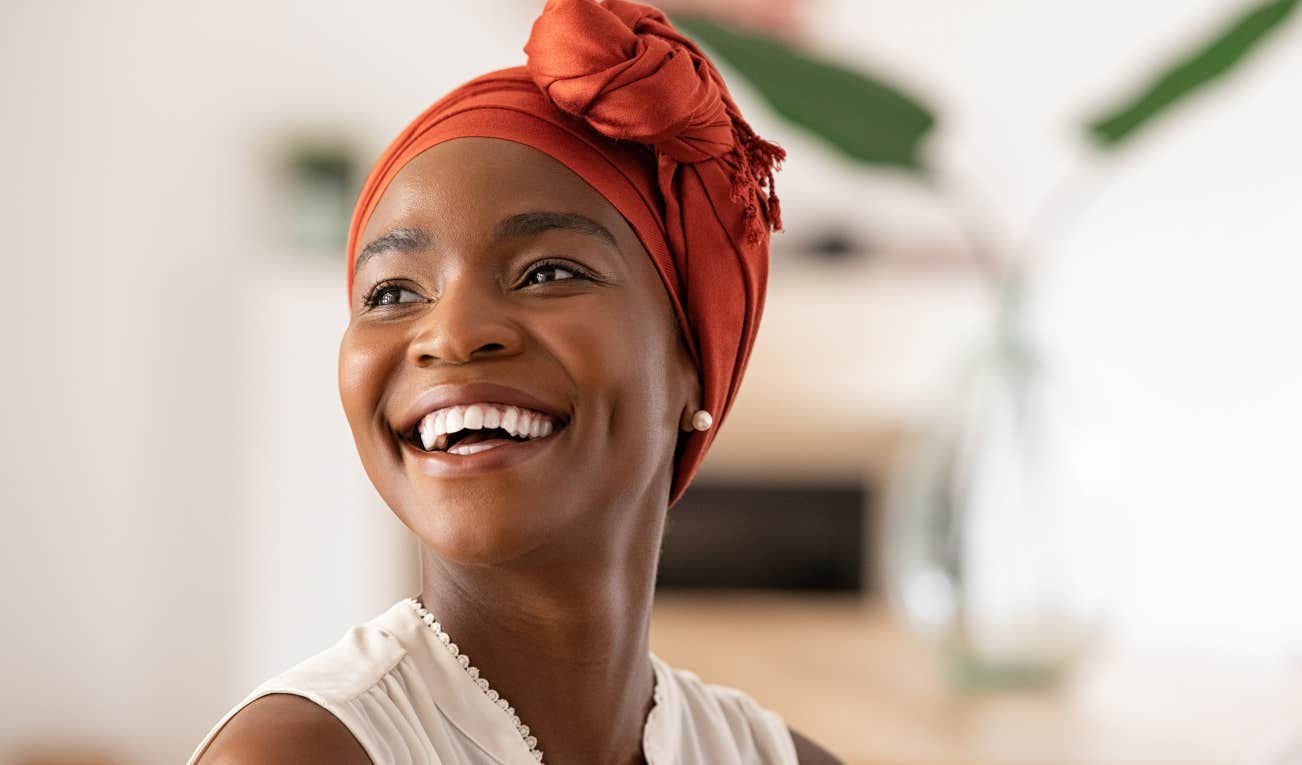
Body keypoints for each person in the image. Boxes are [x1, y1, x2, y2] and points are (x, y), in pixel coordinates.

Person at [190, 1, 842, 763]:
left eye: (549, 272)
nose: (452, 334)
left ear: (693, 359)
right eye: (393, 292)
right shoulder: (299, 754)